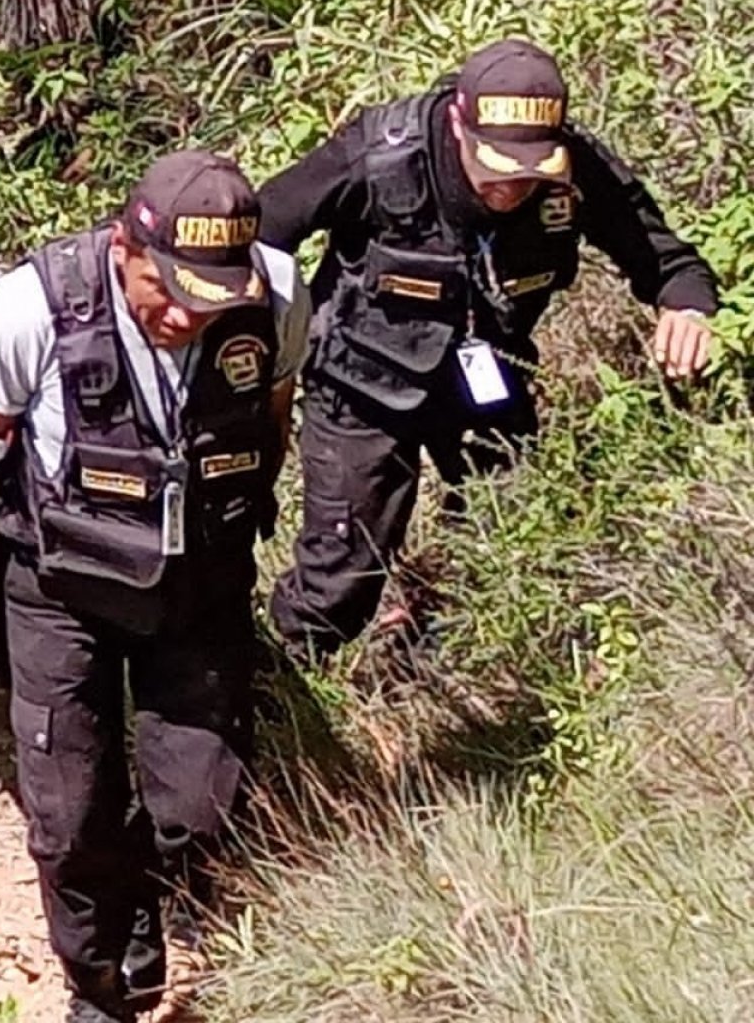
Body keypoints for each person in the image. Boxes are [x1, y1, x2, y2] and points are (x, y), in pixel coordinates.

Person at [0, 150, 309, 1022]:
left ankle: (153, 917)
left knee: (200, 802)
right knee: (71, 812)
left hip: (200, 583)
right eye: (170, 289)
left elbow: (273, 409)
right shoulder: (30, 309)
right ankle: (100, 982)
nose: (189, 314)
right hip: (59, 584)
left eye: (211, 295)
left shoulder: (277, 293)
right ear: (124, 250)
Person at [259, 38, 717, 659]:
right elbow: (260, 237)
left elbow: (665, 258)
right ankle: (280, 692)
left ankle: (430, 666)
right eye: (496, 162)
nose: (513, 183)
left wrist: (686, 307)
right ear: (458, 119)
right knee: (341, 578)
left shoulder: (578, 170)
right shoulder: (382, 154)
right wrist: (261, 359)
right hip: (358, 387)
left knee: (506, 539)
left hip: (486, 380)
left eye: (533, 167)